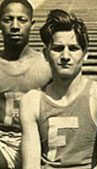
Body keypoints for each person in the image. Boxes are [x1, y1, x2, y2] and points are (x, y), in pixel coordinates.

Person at [20, 9, 97, 169]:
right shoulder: (32, 101)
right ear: (46, 54)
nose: (65, 56)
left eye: (73, 48)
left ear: (85, 54)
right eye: (58, 48)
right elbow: (30, 166)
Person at [0, 0, 51, 168]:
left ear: (32, 24)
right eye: (8, 19)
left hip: (38, 140)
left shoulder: (47, 64)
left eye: (22, 19)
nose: (15, 26)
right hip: (2, 142)